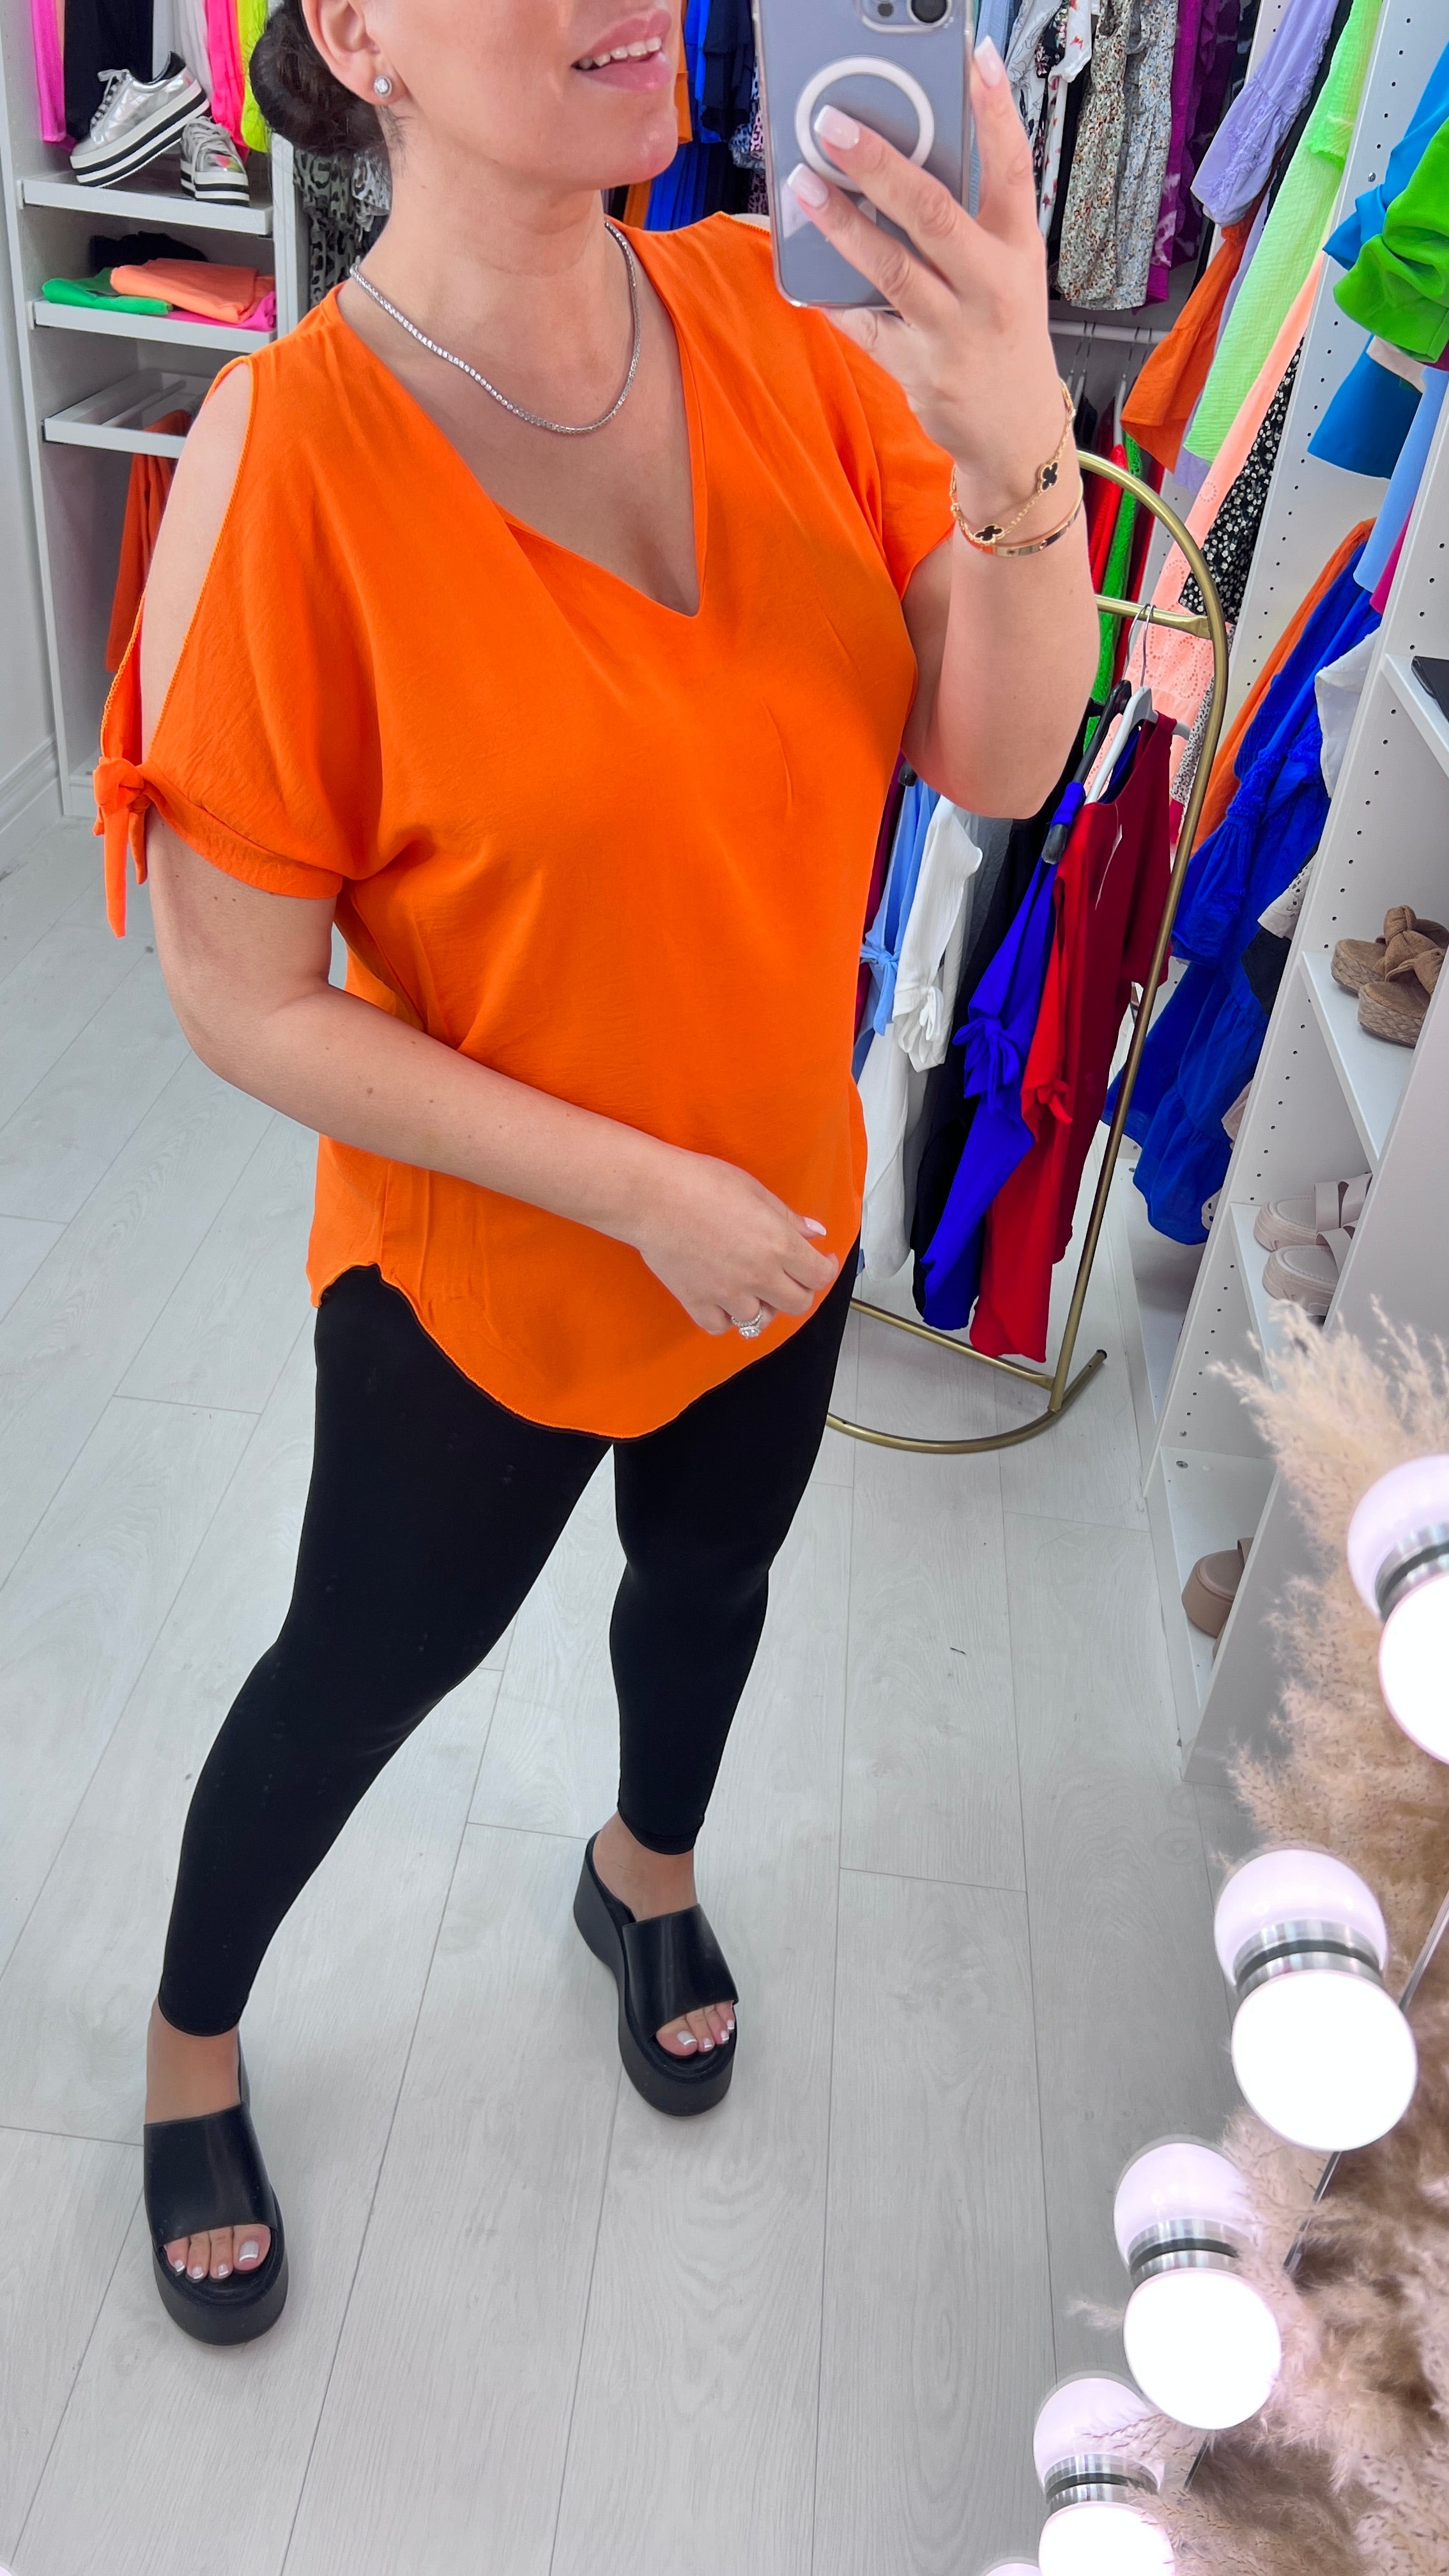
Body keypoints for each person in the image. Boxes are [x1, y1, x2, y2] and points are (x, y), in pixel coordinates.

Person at [96, 0, 1097, 2345]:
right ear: (359, 34)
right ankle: (187, 2039)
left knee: (710, 1582)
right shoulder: (293, 451)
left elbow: (995, 754)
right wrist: (638, 1189)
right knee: (360, 1668)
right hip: (494, 1274)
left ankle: (641, 1869)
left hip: (783, 1217)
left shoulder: (774, 319)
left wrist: (1017, 457)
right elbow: (243, 997)